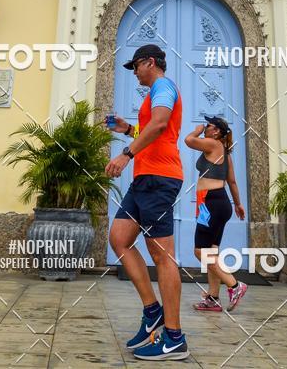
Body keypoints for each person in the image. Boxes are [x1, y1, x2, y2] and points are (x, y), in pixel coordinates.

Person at [105, 44, 189, 361]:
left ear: (149, 62)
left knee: (162, 255)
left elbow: (160, 125)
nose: (135, 72)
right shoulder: (154, 92)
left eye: (136, 67)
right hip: (145, 179)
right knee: (120, 239)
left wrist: (126, 154)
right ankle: (153, 310)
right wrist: (126, 129)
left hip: (160, 179)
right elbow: (152, 129)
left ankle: (175, 338)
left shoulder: (163, 87)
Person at [185, 115, 248, 312]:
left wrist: (196, 130)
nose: (206, 127)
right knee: (211, 252)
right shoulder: (226, 154)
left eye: (209, 125)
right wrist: (238, 205)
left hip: (211, 203)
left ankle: (235, 285)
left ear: (217, 131)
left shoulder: (212, 144)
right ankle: (213, 298)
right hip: (220, 203)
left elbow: (188, 140)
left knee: (200, 252)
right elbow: (233, 182)